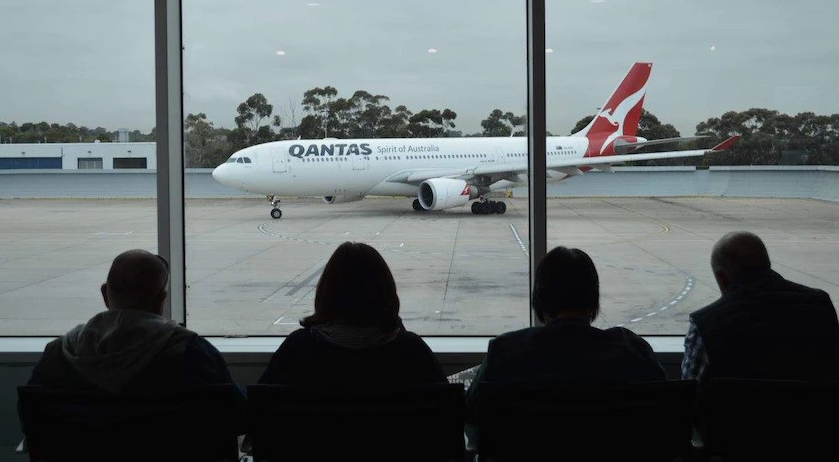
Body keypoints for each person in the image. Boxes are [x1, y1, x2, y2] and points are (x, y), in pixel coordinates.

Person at [466, 246, 666, 422]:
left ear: (540, 301)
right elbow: (670, 408)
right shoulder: (632, 350)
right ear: (593, 301)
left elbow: (470, 414)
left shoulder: (504, 351)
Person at [24, 249, 236, 393]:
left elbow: (34, 418)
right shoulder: (191, 352)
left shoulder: (59, 353)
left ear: (105, 294)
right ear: (161, 300)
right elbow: (236, 416)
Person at [258, 241, 446, 386]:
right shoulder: (410, 351)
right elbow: (452, 411)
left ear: (326, 291)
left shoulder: (297, 349)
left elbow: (256, 410)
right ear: (386, 291)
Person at [682, 231, 839, 382]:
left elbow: (691, 392)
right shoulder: (820, 305)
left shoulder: (705, 324)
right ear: (767, 264)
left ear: (722, 279)